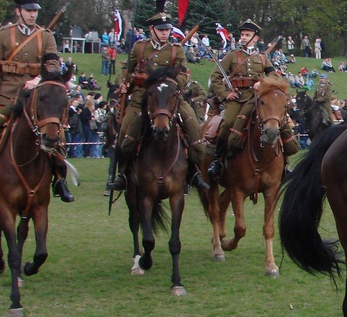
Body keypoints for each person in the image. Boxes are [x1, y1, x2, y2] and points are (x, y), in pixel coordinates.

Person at [0, 0, 72, 202]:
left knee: (57, 137)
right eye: (29, 11)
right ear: (18, 11)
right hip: (6, 98)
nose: (33, 15)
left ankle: (60, 181)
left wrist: (39, 78)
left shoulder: (45, 36)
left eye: (35, 11)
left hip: (34, 99)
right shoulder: (4, 34)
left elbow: (53, 65)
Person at [108, 13, 209, 192]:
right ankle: (123, 174)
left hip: (170, 98)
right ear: (151, 29)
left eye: (167, 30)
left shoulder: (176, 49)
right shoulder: (139, 48)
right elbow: (127, 70)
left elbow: (183, 74)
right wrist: (123, 83)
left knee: (192, 125)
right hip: (142, 97)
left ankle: (194, 172)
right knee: (124, 132)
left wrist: (168, 84)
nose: (165, 33)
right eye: (161, 30)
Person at [207, 20, 299, 179]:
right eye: (242, 35)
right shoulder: (232, 55)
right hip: (238, 99)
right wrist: (225, 94)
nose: (243, 38)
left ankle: (284, 162)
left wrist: (262, 83)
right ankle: (218, 161)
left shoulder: (262, 58)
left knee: (279, 123)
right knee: (228, 123)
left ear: (255, 38)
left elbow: (273, 75)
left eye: (247, 35)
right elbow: (215, 76)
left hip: (258, 98)